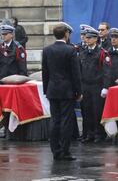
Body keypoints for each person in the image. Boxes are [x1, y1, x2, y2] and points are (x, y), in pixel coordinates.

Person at [42, 23, 82, 161]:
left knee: (54, 120)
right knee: (66, 121)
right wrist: (79, 91)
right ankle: (65, 151)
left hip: (52, 90)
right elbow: (75, 73)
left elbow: (45, 72)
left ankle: (55, 151)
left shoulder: (47, 50)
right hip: (67, 91)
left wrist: (46, 90)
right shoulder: (70, 50)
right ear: (66, 34)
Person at [78, 28, 111, 143]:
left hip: (97, 86)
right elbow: (79, 70)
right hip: (85, 85)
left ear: (96, 39)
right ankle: (88, 133)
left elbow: (107, 72)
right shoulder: (83, 52)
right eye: (86, 37)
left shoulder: (102, 53)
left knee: (97, 111)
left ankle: (99, 134)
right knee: (86, 111)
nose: (86, 40)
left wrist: (105, 87)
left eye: (89, 37)